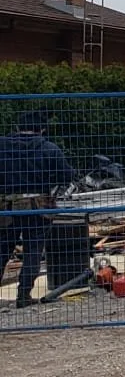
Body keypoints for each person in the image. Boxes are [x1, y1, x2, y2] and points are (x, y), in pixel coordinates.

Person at [2, 112, 77, 308]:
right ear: (42, 129)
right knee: (33, 252)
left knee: (1, 252)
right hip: (38, 207)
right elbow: (67, 175)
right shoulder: (48, 148)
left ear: (18, 128)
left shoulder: (2, 146)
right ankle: (23, 296)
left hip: (6, 208)